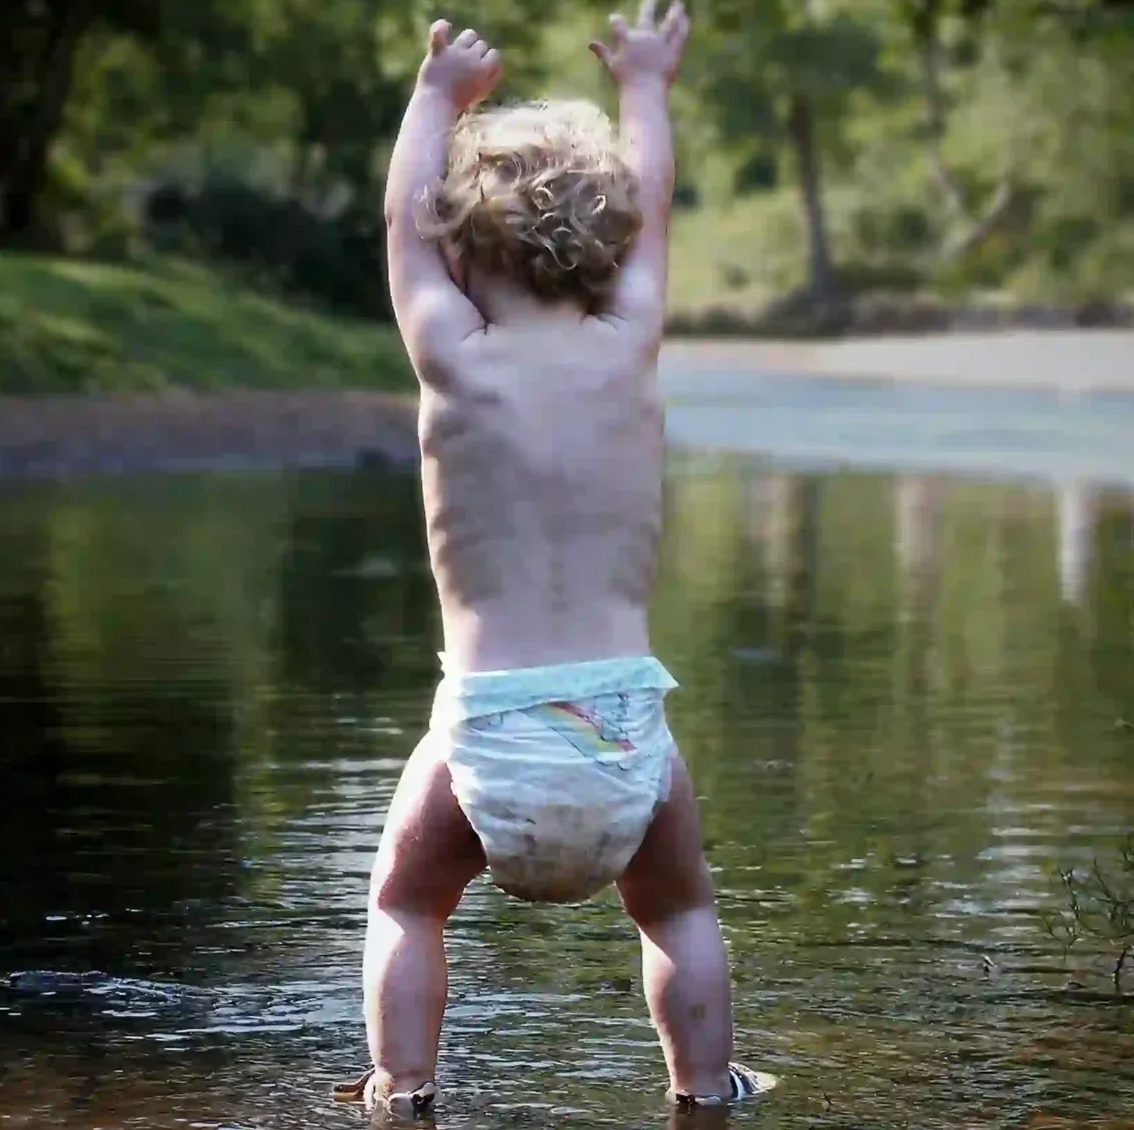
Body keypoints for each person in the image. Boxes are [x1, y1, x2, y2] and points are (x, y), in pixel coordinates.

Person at [334, 2, 772, 1117]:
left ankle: (404, 1082)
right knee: (679, 911)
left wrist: (434, 100)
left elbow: (396, 225)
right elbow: (661, 201)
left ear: (461, 248)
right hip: (624, 720)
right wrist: (645, 87)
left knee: (405, 900)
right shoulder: (630, 346)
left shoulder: (453, 354)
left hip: (491, 724)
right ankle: (703, 1084)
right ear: (611, 241)